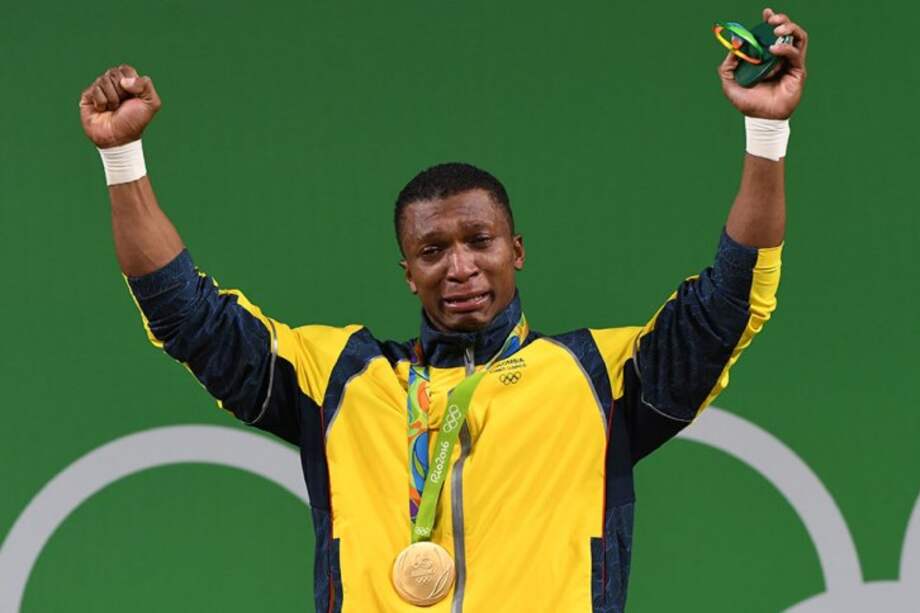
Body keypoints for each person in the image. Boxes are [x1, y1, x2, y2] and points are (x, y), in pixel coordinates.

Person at [78, 8, 807, 612]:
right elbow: (187, 315)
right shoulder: (338, 379)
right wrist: (123, 160)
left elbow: (728, 305)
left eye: (478, 240)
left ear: (515, 248)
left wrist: (766, 134)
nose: (459, 265)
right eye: (433, 250)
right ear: (408, 273)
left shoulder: (594, 379)